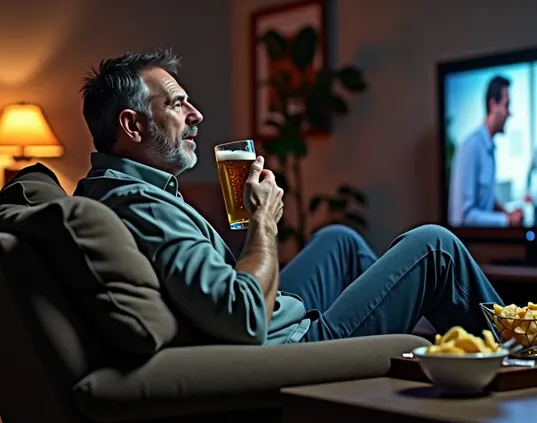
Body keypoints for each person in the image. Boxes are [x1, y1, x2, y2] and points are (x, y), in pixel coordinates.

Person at [74, 48, 504, 347]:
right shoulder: (141, 204)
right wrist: (263, 221)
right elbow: (243, 316)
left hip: (277, 324)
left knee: (340, 240)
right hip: (286, 352)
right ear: (132, 126)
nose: (196, 115)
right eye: (176, 104)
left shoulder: (116, 190)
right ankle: (533, 355)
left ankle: (410, 345)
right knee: (435, 247)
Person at [448, 76, 523, 228]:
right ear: (493, 104)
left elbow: (483, 198)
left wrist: (504, 211)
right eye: (507, 105)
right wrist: (506, 221)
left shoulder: (490, 149)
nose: (510, 113)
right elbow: (464, 217)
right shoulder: (471, 147)